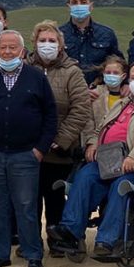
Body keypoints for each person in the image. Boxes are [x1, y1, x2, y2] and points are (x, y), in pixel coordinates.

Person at [0, 30, 58, 267]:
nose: (7, 52)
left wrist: (41, 148)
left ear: (22, 51)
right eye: (3, 48)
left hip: (26, 154)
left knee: (26, 205)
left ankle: (33, 255)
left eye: (12, 48)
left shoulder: (36, 77)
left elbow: (50, 115)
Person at [49, 61, 134, 259]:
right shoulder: (123, 104)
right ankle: (70, 231)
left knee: (121, 186)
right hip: (108, 159)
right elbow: (101, 128)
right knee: (85, 176)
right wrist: (93, 143)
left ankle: (107, 240)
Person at [26, 20, 92, 248]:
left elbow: (81, 107)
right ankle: (31, 242)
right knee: (30, 200)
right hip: (29, 149)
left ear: (61, 45)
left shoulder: (72, 72)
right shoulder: (24, 69)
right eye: (42, 40)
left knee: (55, 198)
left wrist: (60, 139)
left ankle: (57, 241)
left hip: (59, 150)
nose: (47, 45)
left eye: (52, 41)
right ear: (34, 43)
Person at [60, 0, 123, 84]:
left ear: (91, 6)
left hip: (98, 91)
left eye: (83, 2)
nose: (79, 5)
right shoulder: (59, 35)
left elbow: (118, 63)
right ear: (69, 7)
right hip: (68, 92)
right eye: (74, 3)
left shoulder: (107, 34)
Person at [85, 55, 129, 134]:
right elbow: (88, 124)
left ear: (124, 76)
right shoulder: (94, 95)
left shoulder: (128, 97)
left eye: (115, 73)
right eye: (108, 73)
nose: (111, 75)